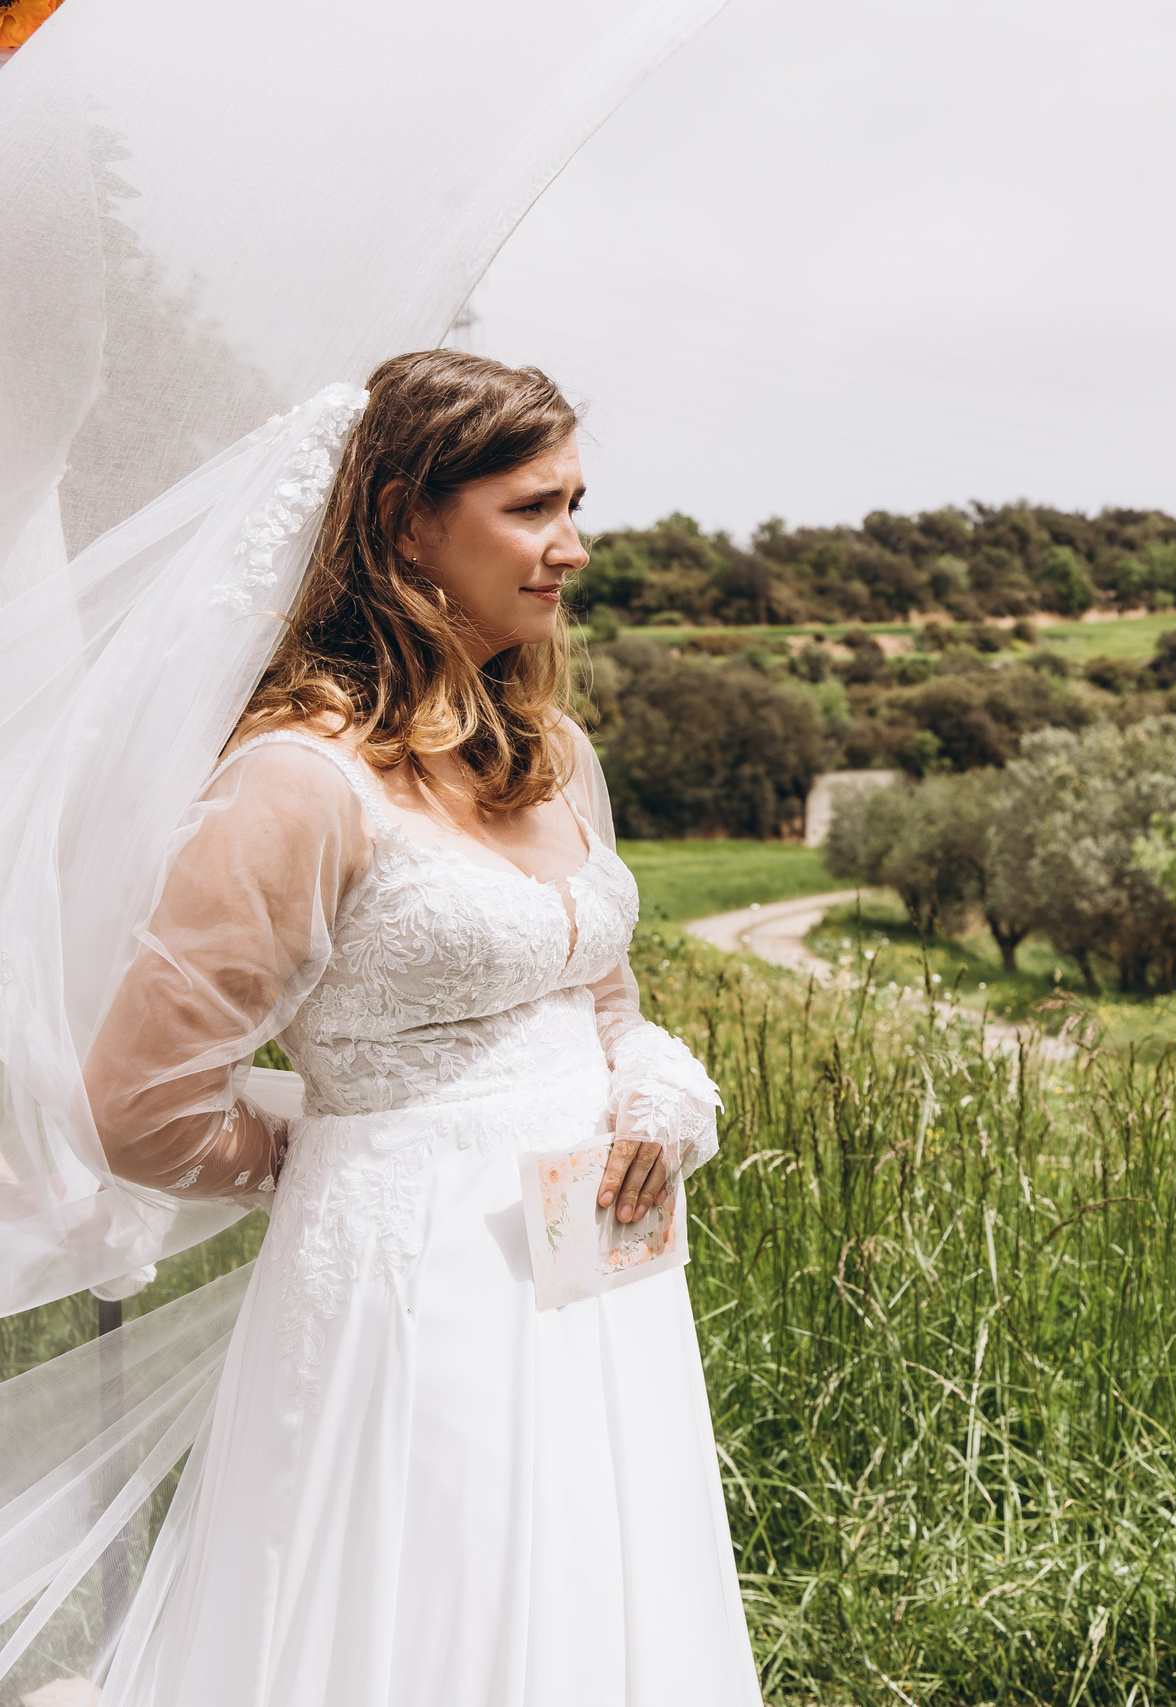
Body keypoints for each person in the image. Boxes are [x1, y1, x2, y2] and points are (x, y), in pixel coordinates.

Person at [73, 351, 762, 1705]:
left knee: (594, 1597)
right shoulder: (296, 781)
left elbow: (598, 992)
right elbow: (141, 1103)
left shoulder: (546, 748)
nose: (571, 546)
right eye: (529, 506)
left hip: (600, 1268)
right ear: (402, 518)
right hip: (412, 1294)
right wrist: (350, 1160)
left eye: (575, 500)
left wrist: (656, 1086)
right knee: (434, 1615)